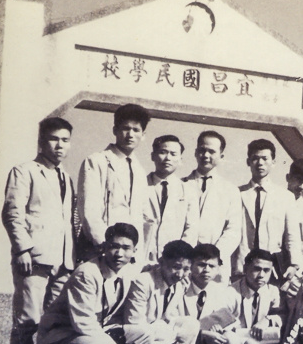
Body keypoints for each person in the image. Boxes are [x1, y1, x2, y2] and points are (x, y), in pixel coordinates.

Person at [35, 223, 163, 344]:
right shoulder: (87, 273)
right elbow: (83, 324)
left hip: (91, 336)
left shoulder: (128, 271)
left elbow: (156, 268)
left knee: (143, 334)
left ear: (134, 251)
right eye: (114, 247)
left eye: (126, 248)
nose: (119, 253)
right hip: (61, 337)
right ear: (104, 247)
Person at [1, 116, 77, 344]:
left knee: (57, 324)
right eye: (54, 139)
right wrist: (22, 248)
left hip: (63, 261)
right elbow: (12, 213)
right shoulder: (24, 171)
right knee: (27, 322)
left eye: (65, 140)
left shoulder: (65, 178)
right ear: (41, 141)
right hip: (33, 258)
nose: (59, 145)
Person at [118, 239, 201, 344]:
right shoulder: (143, 281)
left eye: (186, 269)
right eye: (176, 267)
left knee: (191, 324)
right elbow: (135, 324)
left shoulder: (179, 283)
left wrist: (168, 330)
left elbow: (169, 316)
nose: (180, 274)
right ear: (161, 261)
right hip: (134, 340)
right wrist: (170, 333)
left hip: (156, 334)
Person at [75, 104, 149, 261]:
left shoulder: (139, 170)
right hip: (101, 250)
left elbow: (140, 216)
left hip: (129, 255)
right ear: (115, 130)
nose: (130, 134)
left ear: (143, 135)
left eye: (136, 130)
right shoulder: (96, 161)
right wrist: (104, 245)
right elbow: (89, 211)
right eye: (125, 128)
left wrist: (134, 252)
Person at [183, 244, 248, 344]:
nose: (206, 270)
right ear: (191, 265)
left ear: (218, 268)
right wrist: (202, 333)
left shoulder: (220, 290)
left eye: (212, 266)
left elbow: (226, 320)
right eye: (201, 265)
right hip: (184, 342)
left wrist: (220, 329)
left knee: (231, 339)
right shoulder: (181, 286)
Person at [237, 139, 300, 281]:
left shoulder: (285, 197)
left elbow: (292, 235)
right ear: (248, 162)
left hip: (273, 266)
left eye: (265, 158)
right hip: (243, 266)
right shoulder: (237, 193)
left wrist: (295, 264)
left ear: (273, 162)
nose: (260, 163)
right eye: (255, 159)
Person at [182, 130, 242, 276]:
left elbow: (233, 231)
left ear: (221, 156)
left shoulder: (230, 190)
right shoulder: (180, 185)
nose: (206, 156)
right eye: (202, 150)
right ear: (196, 153)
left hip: (215, 267)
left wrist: (213, 257)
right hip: (183, 263)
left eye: (212, 151)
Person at [141, 134, 198, 265]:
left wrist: (178, 256)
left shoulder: (188, 191)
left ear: (180, 159)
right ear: (153, 156)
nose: (168, 158)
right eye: (162, 152)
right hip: (142, 258)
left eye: (173, 154)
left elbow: (191, 229)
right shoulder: (140, 185)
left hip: (174, 262)